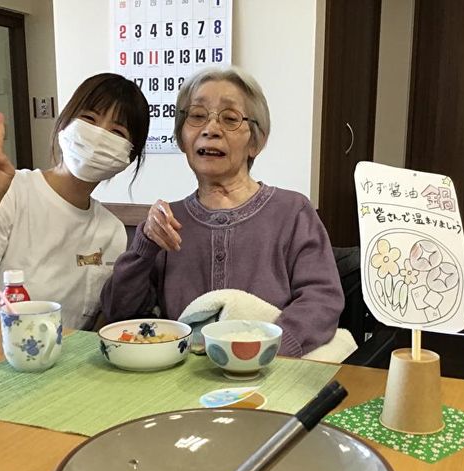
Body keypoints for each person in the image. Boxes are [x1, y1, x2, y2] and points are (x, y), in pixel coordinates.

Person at [101, 66, 344, 357]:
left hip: (272, 370)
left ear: (256, 141)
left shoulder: (293, 211)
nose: (210, 129)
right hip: (181, 376)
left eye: (229, 119)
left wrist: (269, 351)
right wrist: (144, 247)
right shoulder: (166, 223)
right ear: (181, 137)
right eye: (197, 116)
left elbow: (322, 300)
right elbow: (121, 313)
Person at [0, 73, 149, 332]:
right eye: (89, 119)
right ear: (64, 123)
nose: (98, 135)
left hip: (55, 368)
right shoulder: (9, 193)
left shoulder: (111, 231)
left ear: (128, 155)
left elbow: (93, 327)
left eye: (117, 131)